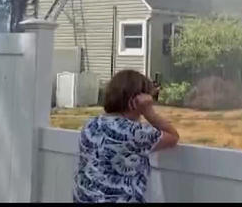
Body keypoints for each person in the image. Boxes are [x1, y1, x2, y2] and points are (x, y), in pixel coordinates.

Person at [73, 69, 179, 203]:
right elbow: (173, 136)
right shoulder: (134, 132)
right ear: (136, 101)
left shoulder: (91, 124)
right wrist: (149, 112)